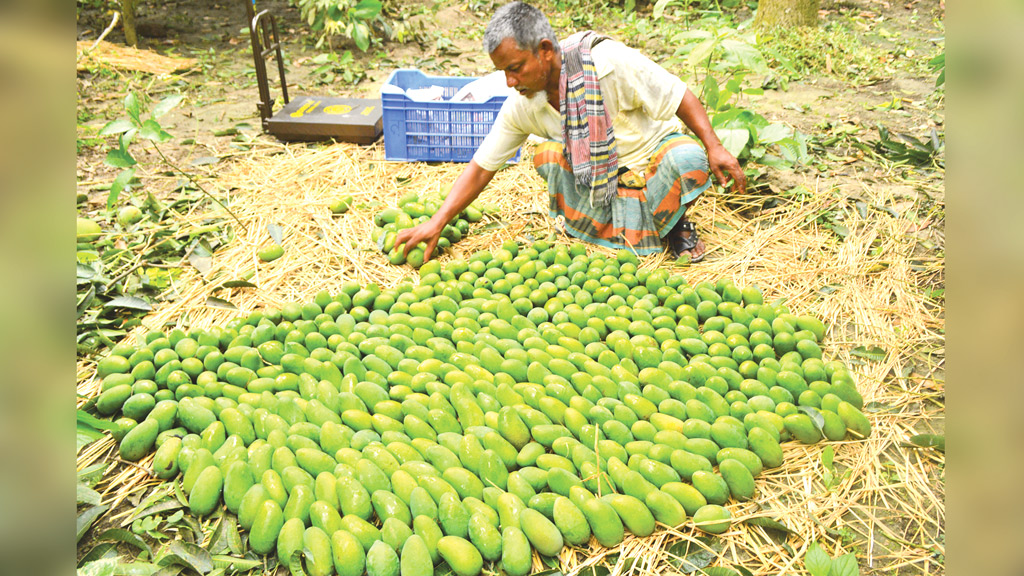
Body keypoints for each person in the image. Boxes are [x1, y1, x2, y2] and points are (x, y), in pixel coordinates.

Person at [396, 1, 745, 263]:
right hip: (596, 182)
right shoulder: (523, 103)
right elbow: (482, 166)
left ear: (545, 50)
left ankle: (675, 224)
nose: (509, 81)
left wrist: (714, 145)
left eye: (515, 69)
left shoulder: (608, 63)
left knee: (689, 159)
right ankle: (603, 224)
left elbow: (677, 94)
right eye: (503, 72)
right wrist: (437, 222)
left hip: (649, 161)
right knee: (545, 154)